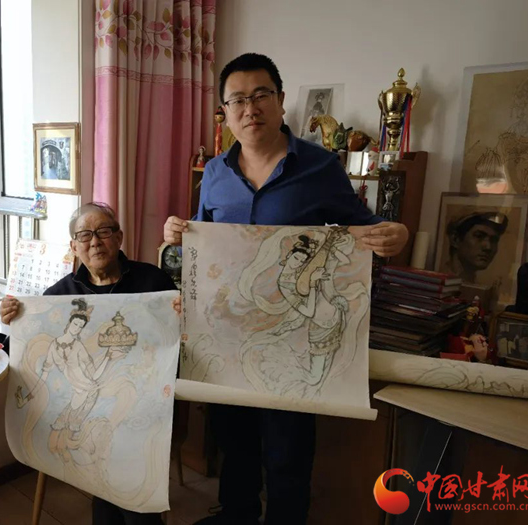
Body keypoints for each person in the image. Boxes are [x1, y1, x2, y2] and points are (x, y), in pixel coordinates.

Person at [163, 53, 409, 525]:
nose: (249, 108)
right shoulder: (214, 172)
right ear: (225, 112)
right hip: (227, 337)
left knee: (287, 452)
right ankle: (236, 516)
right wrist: (179, 231)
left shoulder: (320, 167)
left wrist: (394, 233)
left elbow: (364, 227)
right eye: (237, 100)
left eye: (260, 95)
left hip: (295, 338)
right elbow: (205, 239)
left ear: (279, 100)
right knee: (234, 445)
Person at [1, 202, 179, 525]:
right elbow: (21, 351)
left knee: (133, 495)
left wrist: (183, 314)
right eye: (84, 235)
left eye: (103, 232)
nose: (94, 242)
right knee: (103, 480)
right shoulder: (58, 296)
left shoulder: (153, 281)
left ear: (119, 238)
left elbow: (181, 340)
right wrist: (12, 319)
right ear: (74, 247)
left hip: (145, 408)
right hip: (86, 408)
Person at [444, 211, 508, 283]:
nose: (488, 247)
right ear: (455, 239)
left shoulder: (478, 286)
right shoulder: (440, 282)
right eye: (479, 236)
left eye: (494, 240)